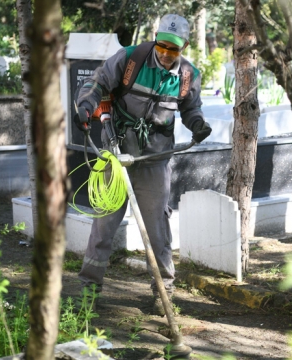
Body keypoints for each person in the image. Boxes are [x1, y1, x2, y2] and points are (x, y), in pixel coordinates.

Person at [73, 14, 212, 315]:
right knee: (104, 226)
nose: (165, 54)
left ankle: (164, 294)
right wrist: (85, 107)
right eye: (162, 46)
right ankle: (89, 291)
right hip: (116, 151)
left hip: (154, 159)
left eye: (173, 50)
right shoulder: (130, 59)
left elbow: (191, 109)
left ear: (184, 47)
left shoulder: (188, 75)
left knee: (157, 229)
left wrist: (198, 124)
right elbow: (96, 84)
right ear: (155, 38)